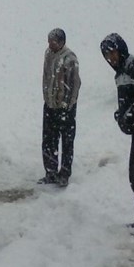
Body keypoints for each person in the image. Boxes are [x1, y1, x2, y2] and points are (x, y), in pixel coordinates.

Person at [100, 33, 134, 232]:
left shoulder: (133, 66)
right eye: (106, 55)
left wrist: (129, 115)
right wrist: (121, 114)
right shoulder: (120, 73)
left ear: (121, 49)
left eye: (112, 53)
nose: (110, 58)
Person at [40, 28, 81, 187]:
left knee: (66, 142)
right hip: (50, 105)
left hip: (66, 109)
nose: (50, 44)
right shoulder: (48, 54)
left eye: (54, 41)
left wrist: (67, 105)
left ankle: (64, 174)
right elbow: (45, 76)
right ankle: (50, 172)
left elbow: (75, 84)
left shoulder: (70, 59)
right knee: (48, 140)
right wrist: (47, 98)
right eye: (49, 41)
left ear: (62, 42)